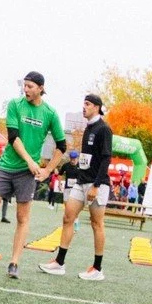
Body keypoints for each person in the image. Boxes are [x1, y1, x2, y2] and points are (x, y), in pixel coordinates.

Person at [0, 73, 66, 281]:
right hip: (7, 166)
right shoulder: (15, 105)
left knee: (22, 218)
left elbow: (62, 146)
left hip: (27, 174)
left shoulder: (50, 113)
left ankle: (14, 262)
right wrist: (31, 161)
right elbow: (13, 137)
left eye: (30, 86)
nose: (26, 89)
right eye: (25, 85)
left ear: (41, 88)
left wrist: (48, 170)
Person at [39, 91, 112, 282]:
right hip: (81, 182)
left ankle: (97, 268)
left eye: (87, 104)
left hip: (97, 184)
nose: (83, 107)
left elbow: (106, 159)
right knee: (68, 217)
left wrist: (96, 185)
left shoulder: (104, 129)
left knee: (96, 223)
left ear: (97, 107)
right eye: (83, 103)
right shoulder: (88, 128)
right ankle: (59, 263)